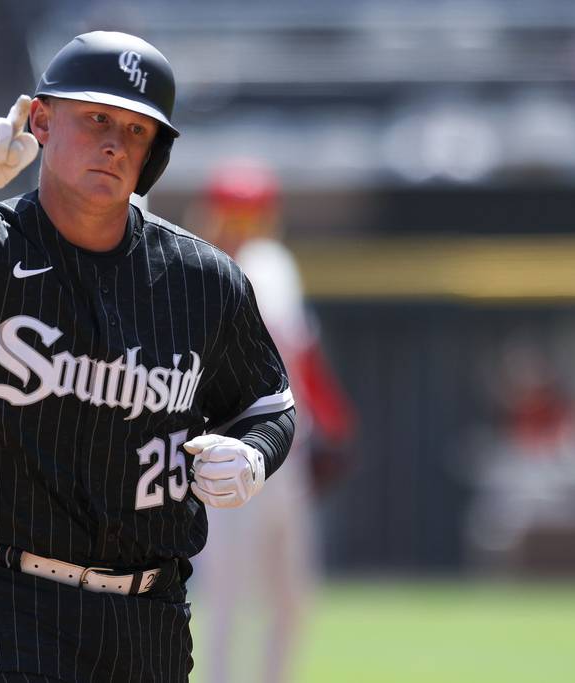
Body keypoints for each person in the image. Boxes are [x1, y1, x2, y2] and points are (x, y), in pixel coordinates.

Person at [0, 31, 296, 682]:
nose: (115, 142)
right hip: (0, 595)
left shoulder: (203, 278)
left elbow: (269, 404)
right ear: (40, 120)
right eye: (95, 118)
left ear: (154, 155)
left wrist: (255, 452)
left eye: (137, 131)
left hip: (150, 611)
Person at [191, 159, 356, 683]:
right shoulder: (204, 271)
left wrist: (335, 423)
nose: (247, 222)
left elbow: (303, 359)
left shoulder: (268, 265)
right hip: (226, 454)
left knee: (289, 600)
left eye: (253, 211)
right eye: (240, 211)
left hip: (284, 456)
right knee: (225, 602)